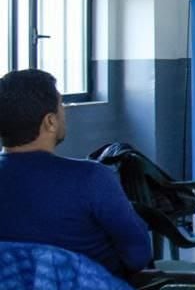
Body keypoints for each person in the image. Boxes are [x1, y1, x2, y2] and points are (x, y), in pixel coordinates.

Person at [0, 69, 151, 279]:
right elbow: (138, 256)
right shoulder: (91, 178)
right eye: (61, 105)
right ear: (50, 122)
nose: (65, 112)